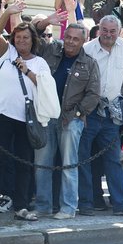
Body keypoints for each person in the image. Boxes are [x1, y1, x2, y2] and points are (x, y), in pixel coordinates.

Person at [0, 3, 51, 223]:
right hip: (1, 115)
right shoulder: (7, 52)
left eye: (26, 38)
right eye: (18, 37)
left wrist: (27, 71)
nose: (21, 41)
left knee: (24, 162)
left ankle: (21, 206)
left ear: (33, 40)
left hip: (26, 119)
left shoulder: (40, 62)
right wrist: (7, 12)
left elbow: (44, 87)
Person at [78, 15, 123, 217]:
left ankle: (121, 205)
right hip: (88, 112)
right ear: (99, 29)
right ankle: (86, 203)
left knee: (114, 160)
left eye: (112, 31)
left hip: (111, 113)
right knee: (83, 159)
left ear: (118, 31)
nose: (108, 34)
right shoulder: (87, 48)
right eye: (105, 30)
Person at [34, 23, 101, 219]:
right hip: (46, 116)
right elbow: (32, 38)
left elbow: (93, 94)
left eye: (76, 39)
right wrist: (43, 22)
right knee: (42, 164)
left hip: (71, 119)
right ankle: (43, 206)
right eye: (68, 37)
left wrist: (77, 114)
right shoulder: (51, 49)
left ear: (83, 41)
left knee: (69, 165)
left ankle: (68, 208)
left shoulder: (89, 63)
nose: (70, 42)